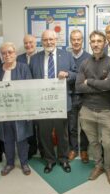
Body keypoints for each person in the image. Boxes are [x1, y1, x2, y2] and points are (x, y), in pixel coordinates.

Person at [29, 30, 77, 174]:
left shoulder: (67, 56)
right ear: (41, 41)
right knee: (44, 133)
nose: (48, 42)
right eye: (45, 40)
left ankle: (63, 159)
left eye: (51, 39)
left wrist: (67, 74)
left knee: (62, 133)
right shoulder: (35, 58)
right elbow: (31, 80)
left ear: (57, 40)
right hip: (42, 102)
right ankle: (49, 160)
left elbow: (76, 74)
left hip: (61, 101)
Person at [76, 30, 110, 185]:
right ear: (90, 43)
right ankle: (99, 165)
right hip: (87, 110)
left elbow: (109, 84)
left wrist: (90, 81)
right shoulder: (84, 63)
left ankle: (109, 168)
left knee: (108, 143)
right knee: (93, 142)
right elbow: (79, 87)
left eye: (99, 41)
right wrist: (100, 84)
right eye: (93, 41)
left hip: (106, 111)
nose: (96, 44)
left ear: (105, 43)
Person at [0, 42, 33, 176]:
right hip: (4, 112)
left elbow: (29, 89)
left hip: (20, 111)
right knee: (6, 138)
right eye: (4, 53)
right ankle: (9, 163)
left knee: (21, 138)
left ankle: (24, 163)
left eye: (10, 52)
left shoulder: (23, 68)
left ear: (15, 53)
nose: (7, 55)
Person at [16, 34, 42, 159]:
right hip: (24, 98)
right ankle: (32, 148)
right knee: (29, 124)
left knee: (41, 125)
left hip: (39, 96)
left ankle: (43, 148)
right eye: (26, 43)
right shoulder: (18, 58)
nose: (28, 45)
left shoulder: (42, 57)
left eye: (31, 42)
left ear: (35, 43)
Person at [67, 29, 91, 163]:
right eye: (73, 39)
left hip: (84, 96)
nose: (76, 42)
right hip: (70, 95)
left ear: (82, 41)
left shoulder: (89, 57)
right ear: (70, 41)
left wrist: (72, 75)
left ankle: (84, 150)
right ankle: (73, 149)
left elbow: (89, 78)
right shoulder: (66, 56)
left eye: (79, 39)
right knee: (71, 126)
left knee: (85, 125)